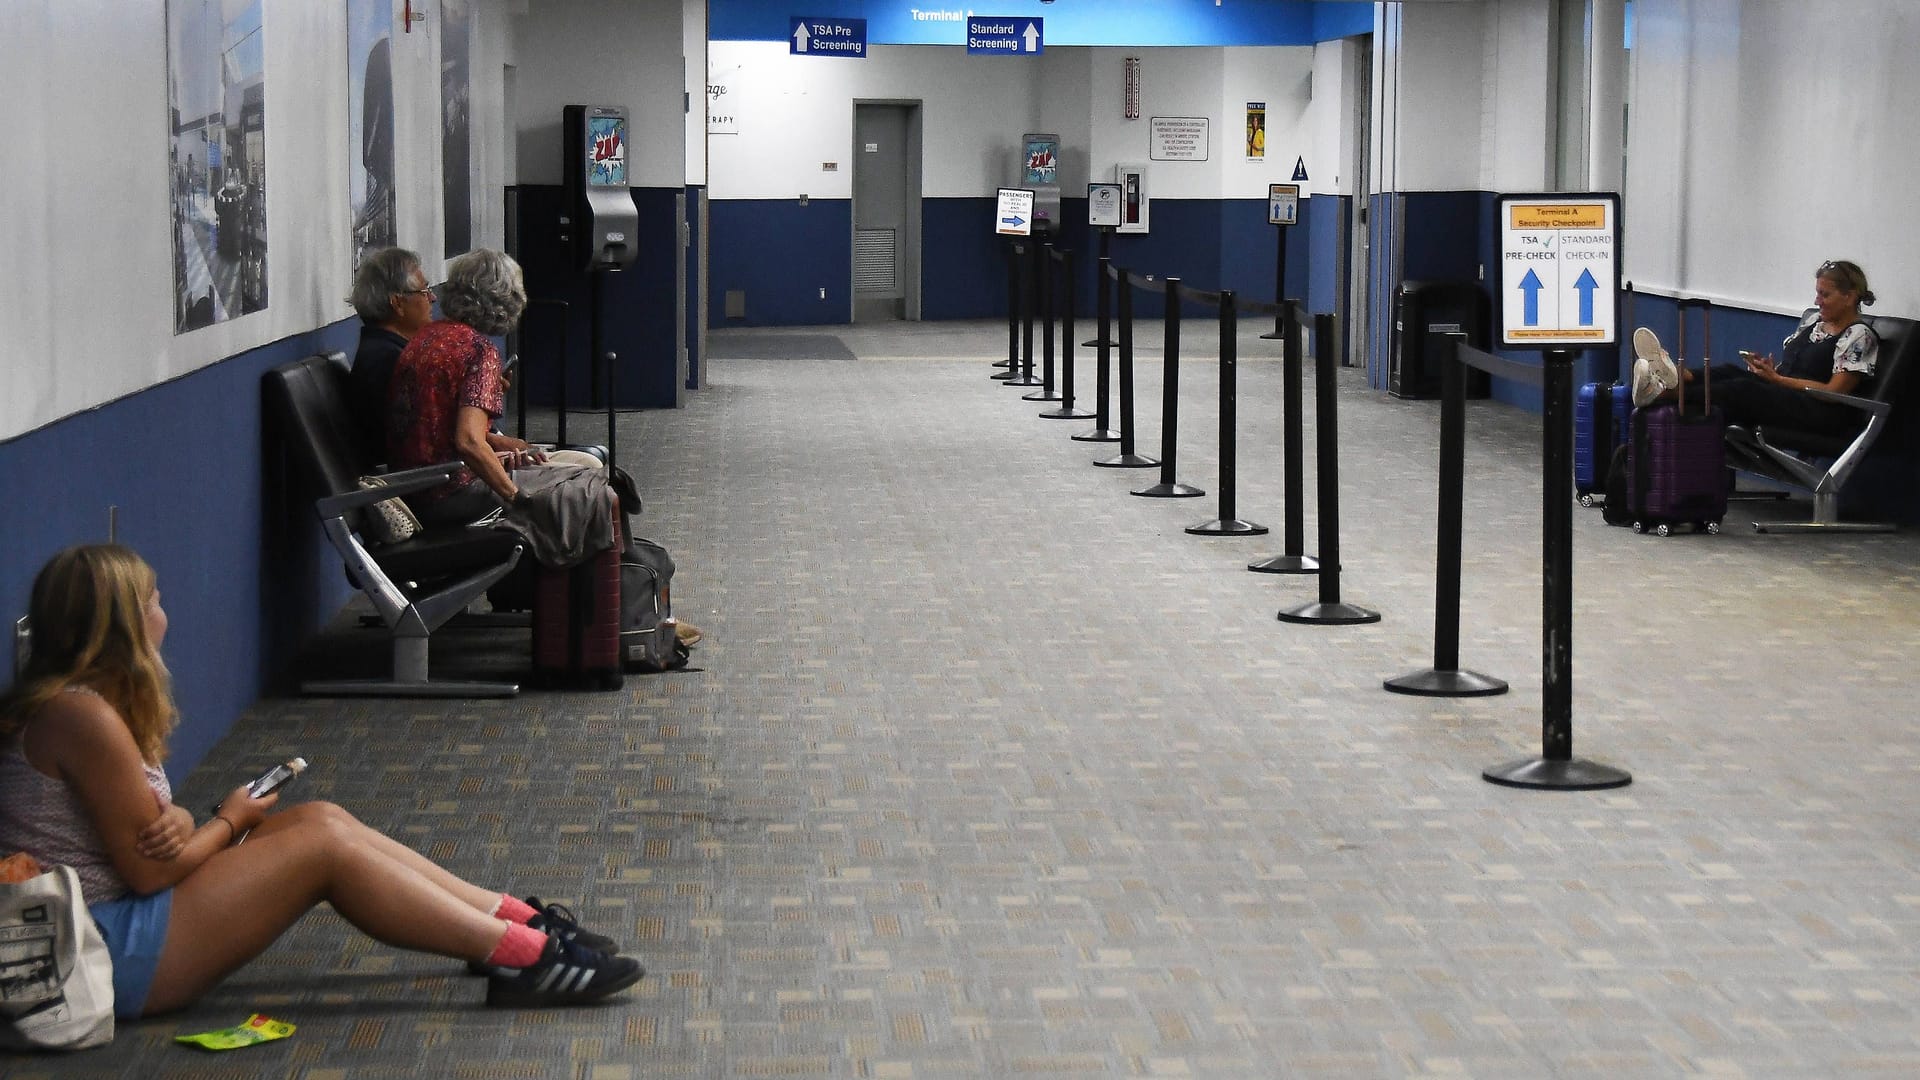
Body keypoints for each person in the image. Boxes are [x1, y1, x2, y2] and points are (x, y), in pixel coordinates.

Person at [0, 545, 644, 1016]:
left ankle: (513, 920)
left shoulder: (79, 705)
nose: (164, 612)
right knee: (323, 850)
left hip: (117, 923)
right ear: (125, 626)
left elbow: (144, 840)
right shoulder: (82, 716)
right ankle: (524, 957)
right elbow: (148, 873)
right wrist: (228, 821)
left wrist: (193, 823)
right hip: (101, 952)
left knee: (322, 819)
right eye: (153, 601)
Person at [384, 248, 554, 528]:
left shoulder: (425, 337)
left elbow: (436, 427)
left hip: (412, 491)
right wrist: (517, 501)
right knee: (586, 488)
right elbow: (469, 442)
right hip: (449, 493)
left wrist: (500, 445)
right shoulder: (479, 351)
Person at [1632, 261, 1880, 448]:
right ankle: (1676, 376)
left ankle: (1665, 393)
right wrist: (1770, 371)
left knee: (1743, 389)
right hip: (1790, 398)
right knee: (1731, 371)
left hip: (1822, 414)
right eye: (1817, 293)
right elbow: (1792, 370)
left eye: (1825, 295)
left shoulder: (1858, 336)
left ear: (1849, 297)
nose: (1818, 301)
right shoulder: (1815, 322)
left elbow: (1835, 392)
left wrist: (1778, 380)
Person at [346, 247, 436, 466]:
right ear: (398, 303)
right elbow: (425, 441)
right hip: (417, 485)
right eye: (424, 292)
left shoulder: (384, 351)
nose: (432, 298)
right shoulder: (391, 361)